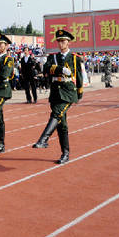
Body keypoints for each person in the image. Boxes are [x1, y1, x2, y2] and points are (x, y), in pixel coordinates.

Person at [32, 30, 84, 165]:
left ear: (68, 42)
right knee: (62, 125)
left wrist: (79, 93)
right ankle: (65, 153)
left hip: (68, 92)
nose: (61, 43)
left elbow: (78, 76)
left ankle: (43, 139)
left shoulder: (74, 58)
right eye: (59, 41)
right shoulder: (52, 57)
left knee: (56, 114)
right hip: (55, 92)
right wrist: (60, 69)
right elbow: (46, 69)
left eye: (63, 41)